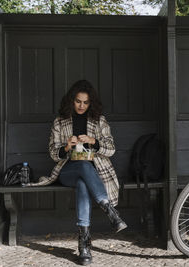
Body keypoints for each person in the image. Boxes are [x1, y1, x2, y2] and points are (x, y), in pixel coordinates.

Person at [28, 80, 126, 265]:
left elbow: (111, 149)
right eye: (78, 101)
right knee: (81, 166)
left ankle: (84, 246)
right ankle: (109, 210)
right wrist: (66, 146)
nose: (81, 106)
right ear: (71, 101)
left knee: (83, 182)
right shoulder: (60, 122)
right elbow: (53, 154)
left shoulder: (99, 121)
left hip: (93, 173)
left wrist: (93, 141)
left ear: (91, 103)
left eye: (85, 102)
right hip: (67, 171)